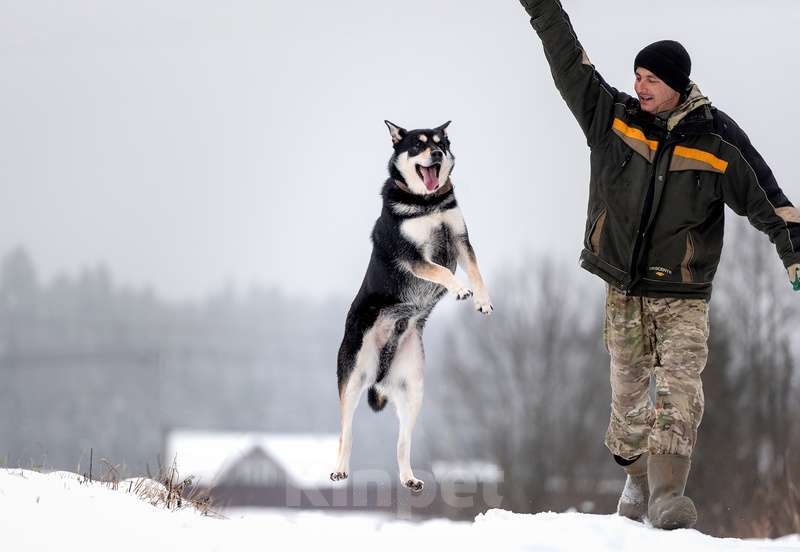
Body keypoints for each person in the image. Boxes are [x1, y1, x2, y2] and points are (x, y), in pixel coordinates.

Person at [517, 0, 800, 529]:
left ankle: (669, 496)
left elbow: (769, 197)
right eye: (637, 76)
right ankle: (636, 475)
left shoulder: (717, 141)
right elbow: (566, 59)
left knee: (680, 387)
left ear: (676, 83)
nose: (641, 86)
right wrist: (541, 7)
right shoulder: (613, 120)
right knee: (627, 401)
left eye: (650, 78)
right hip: (623, 287)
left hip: (683, 294)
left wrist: (793, 254)